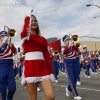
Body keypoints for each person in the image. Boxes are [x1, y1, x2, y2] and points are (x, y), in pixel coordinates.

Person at [20, 10, 55, 100]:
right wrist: (28, 17)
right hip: (30, 68)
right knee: (33, 98)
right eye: (31, 20)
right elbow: (24, 32)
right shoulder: (26, 37)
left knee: (51, 96)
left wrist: (51, 72)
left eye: (35, 20)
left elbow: (47, 57)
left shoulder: (43, 39)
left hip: (43, 69)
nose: (34, 22)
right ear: (27, 23)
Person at [62, 35, 82, 100]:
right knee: (71, 79)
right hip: (68, 65)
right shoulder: (63, 48)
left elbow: (79, 52)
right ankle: (75, 94)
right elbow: (64, 52)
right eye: (67, 40)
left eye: (69, 39)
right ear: (65, 42)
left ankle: (68, 88)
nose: (68, 41)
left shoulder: (74, 47)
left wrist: (73, 45)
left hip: (75, 64)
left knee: (75, 79)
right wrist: (69, 46)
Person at [0, 30, 16, 100]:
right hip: (1, 67)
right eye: (2, 36)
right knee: (2, 90)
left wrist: (10, 44)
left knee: (13, 88)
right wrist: (2, 44)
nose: (4, 37)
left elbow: (15, 52)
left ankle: (9, 98)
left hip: (10, 67)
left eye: (5, 36)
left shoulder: (10, 45)